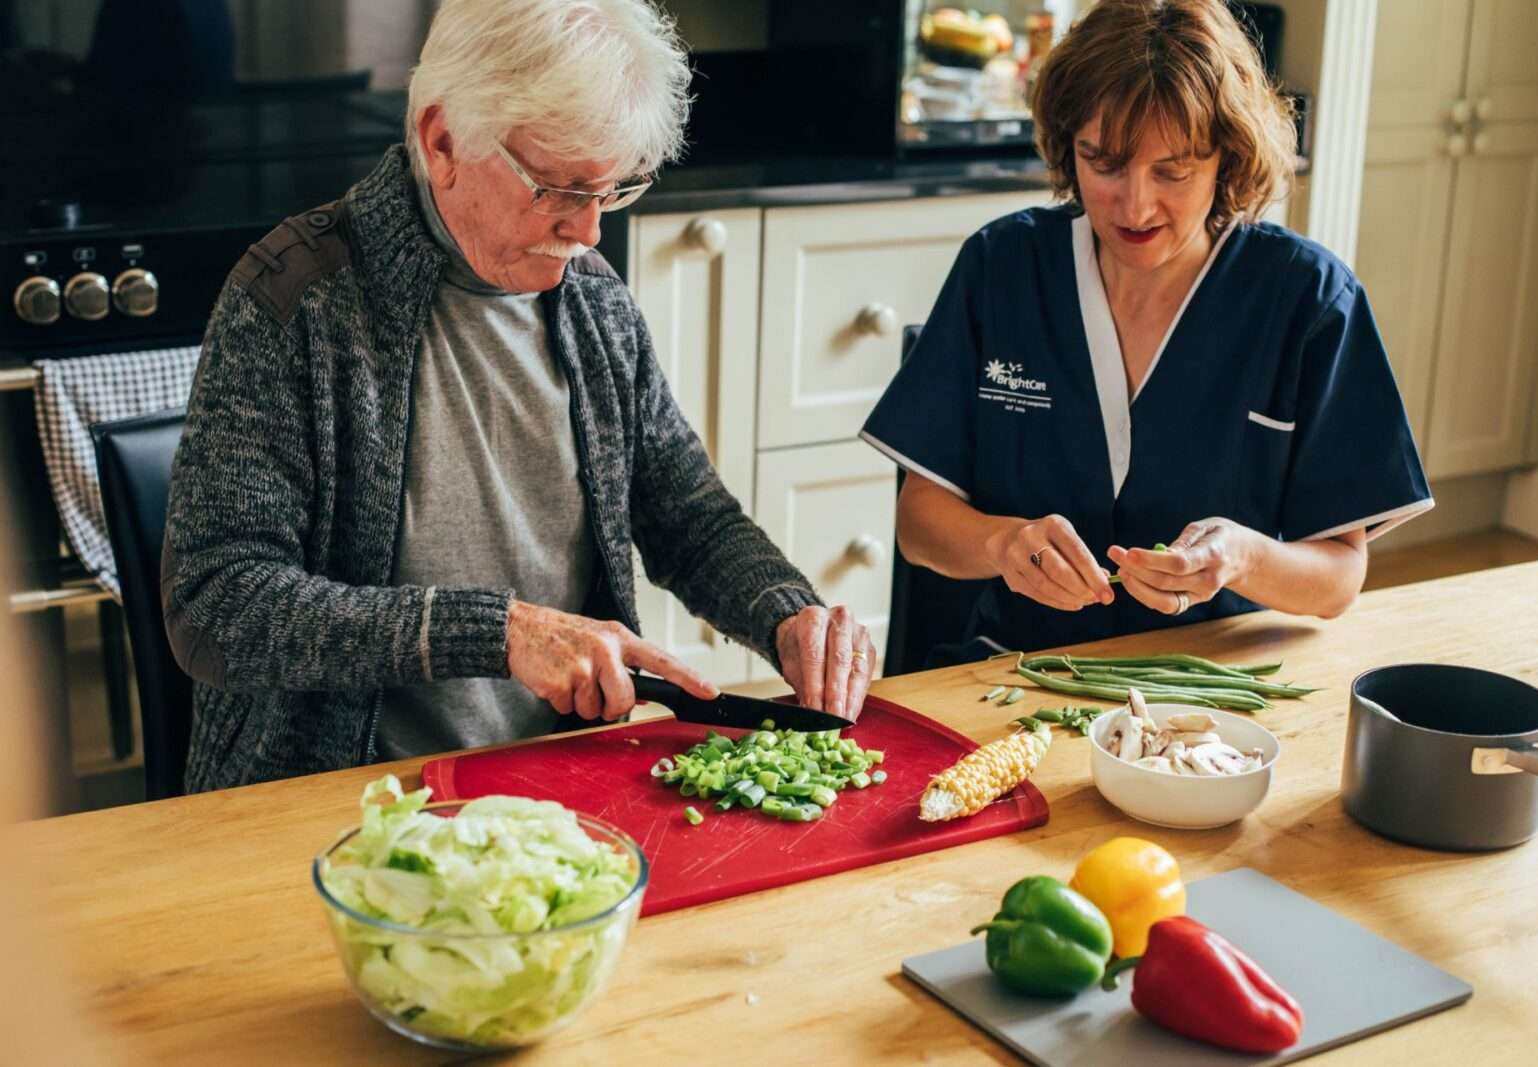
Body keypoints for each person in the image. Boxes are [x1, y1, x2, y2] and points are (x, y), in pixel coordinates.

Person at [163, 0, 877, 793]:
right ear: (443, 142)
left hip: (559, 788)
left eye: (613, 191)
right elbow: (217, 603)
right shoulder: (296, 302)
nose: (590, 231)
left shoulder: (595, 304)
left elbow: (689, 518)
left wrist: (786, 612)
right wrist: (497, 632)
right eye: (559, 188)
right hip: (340, 800)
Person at [862, 0, 1431, 663]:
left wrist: (1241, 556)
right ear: (1066, 145)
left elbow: (1338, 578)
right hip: (1018, 673)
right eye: (1102, 162)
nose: (1134, 205)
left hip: (1212, 695)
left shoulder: (1307, 299)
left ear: (1228, 157)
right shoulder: (1003, 268)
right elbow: (918, 522)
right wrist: (1002, 544)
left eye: (1173, 171)